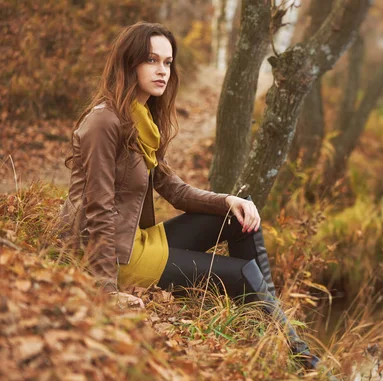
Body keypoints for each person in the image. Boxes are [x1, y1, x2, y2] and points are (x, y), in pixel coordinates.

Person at [58, 22, 319, 370]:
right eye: (152, 60)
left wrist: (228, 200)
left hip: (136, 241)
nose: (162, 70)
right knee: (242, 274)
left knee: (241, 220)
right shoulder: (104, 123)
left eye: (167, 62)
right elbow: (98, 209)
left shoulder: (142, 121)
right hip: (115, 257)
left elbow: (174, 190)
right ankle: (297, 355)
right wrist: (106, 289)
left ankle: (275, 338)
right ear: (129, 62)